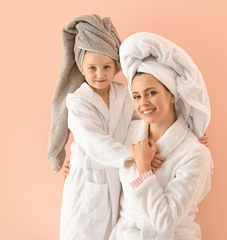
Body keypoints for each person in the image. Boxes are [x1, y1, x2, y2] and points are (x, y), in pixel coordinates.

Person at [110, 32, 213, 239]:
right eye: (137, 96)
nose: (143, 103)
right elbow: (102, 153)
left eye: (151, 93)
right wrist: (76, 164)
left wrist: (143, 169)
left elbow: (164, 222)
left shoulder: (195, 154)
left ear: (172, 94)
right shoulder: (128, 133)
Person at [46, 14, 139, 240]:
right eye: (92, 68)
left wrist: (185, 133)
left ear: (115, 64)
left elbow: (144, 121)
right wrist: (134, 155)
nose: (100, 74)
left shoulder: (123, 94)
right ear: (82, 66)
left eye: (106, 66)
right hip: (88, 183)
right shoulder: (78, 101)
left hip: (118, 179)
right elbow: (93, 141)